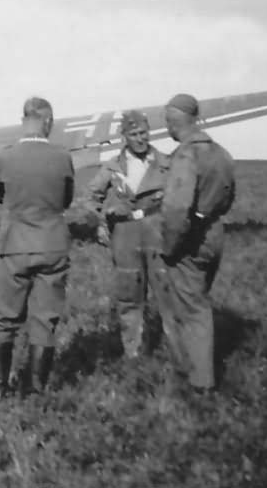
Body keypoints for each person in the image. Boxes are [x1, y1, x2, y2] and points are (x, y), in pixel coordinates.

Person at [0, 97, 75, 396]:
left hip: (15, 244)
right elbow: (66, 199)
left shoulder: (7, 156)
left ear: (24, 120)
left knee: (5, 318)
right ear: (48, 122)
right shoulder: (63, 157)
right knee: (45, 319)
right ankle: (36, 388)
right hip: (52, 244)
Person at [157, 93, 235, 392]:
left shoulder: (186, 155)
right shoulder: (220, 153)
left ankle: (198, 381)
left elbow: (176, 211)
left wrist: (169, 248)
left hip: (190, 240)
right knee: (198, 300)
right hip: (216, 233)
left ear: (172, 122)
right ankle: (194, 372)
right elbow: (229, 197)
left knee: (191, 311)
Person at [87, 110, 169, 359]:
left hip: (158, 231)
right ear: (124, 137)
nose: (140, 139)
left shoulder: (166, 163)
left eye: (143, 133)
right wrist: (100, 223)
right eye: (133, 134)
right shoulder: (113, 166)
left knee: (167, 292)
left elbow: (183, 194)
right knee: (129, 294)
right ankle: (133, 351)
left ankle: (176, 350)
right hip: (125, 235)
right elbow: (92, 197)